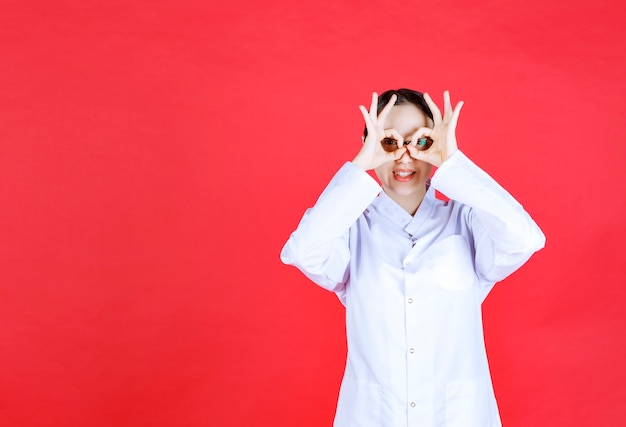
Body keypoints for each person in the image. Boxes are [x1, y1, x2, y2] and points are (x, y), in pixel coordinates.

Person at [280, 89, 545, 427]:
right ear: (370, 144)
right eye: (390, 142)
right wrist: (361, 164)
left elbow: (525, 238)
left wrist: (453, 161)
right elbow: (302, 251)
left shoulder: (466, 221)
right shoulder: (350, 228)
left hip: (459, 416)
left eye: (420, 142)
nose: (404, 157)